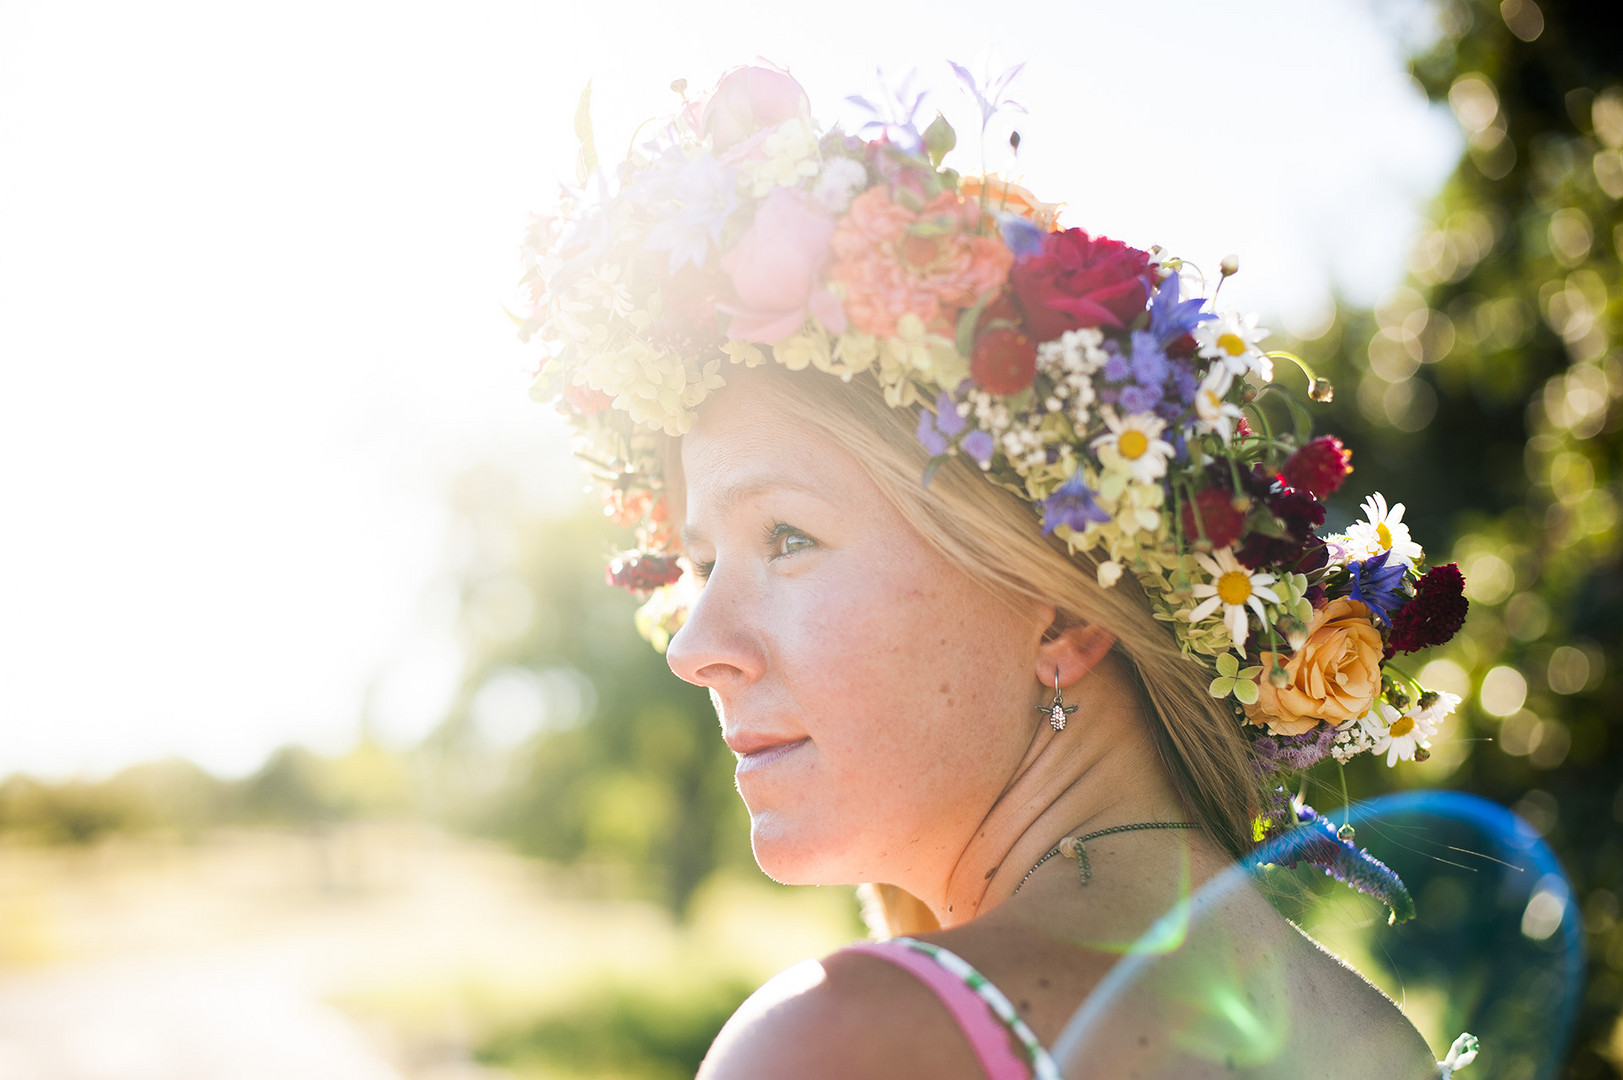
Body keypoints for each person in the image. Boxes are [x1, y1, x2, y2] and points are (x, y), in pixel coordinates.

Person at [518, 62, 1477, 1079]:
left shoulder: (842, 1043)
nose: (696, 648)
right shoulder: (1381, 1041)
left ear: (1061, 609)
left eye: (787, 538)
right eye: (702, 563)